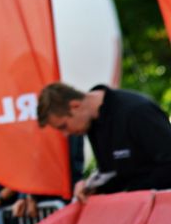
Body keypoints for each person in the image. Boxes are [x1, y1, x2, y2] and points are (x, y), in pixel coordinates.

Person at [38, 82, 171, 202]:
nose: (65, 134)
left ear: (75, 105)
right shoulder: (92, 124)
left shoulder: (137, 111)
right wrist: (93, 187)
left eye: (63, 126)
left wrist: (130, 192)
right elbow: (115, 174)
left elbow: (167, 164)